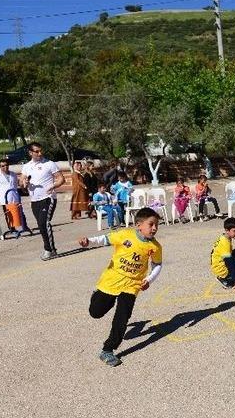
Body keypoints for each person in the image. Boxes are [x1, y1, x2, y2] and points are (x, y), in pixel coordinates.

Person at [78, 207, 163, 367]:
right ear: (139, 225)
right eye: (151, 224)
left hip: (132, 285)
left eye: (156, 225)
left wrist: (149, 279)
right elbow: (104, 239)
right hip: (111, 281)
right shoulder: (125, 235)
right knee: (95, 312)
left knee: (122, 317)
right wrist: (88, 242)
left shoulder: (155, 247)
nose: (154, 228)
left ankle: (108, 349)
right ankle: (98, 296)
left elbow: (158, 265)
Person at [21, 142, 66, 260]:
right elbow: (22, 181)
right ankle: (52, 249)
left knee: (43, 223)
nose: (40, 153)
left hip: (48, 198)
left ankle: (48, 249)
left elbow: (61, 179)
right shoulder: (26, 166)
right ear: (30, 153)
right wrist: (24, 183)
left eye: (41, 151)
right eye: (37, 151)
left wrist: (53, 186)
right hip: (34, 200)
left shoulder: (49, 164)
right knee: (41, 226)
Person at [0, 159, 25, 238]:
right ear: (0, 167)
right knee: (8, 214)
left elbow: (15, 184)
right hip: (4, 198)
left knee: (16, 212)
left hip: (14, 196)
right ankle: (11, 229)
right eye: (3, 166)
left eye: (6, 165)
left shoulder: (13, 174)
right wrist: (1, 193)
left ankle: (19, 226)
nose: (5, 167)